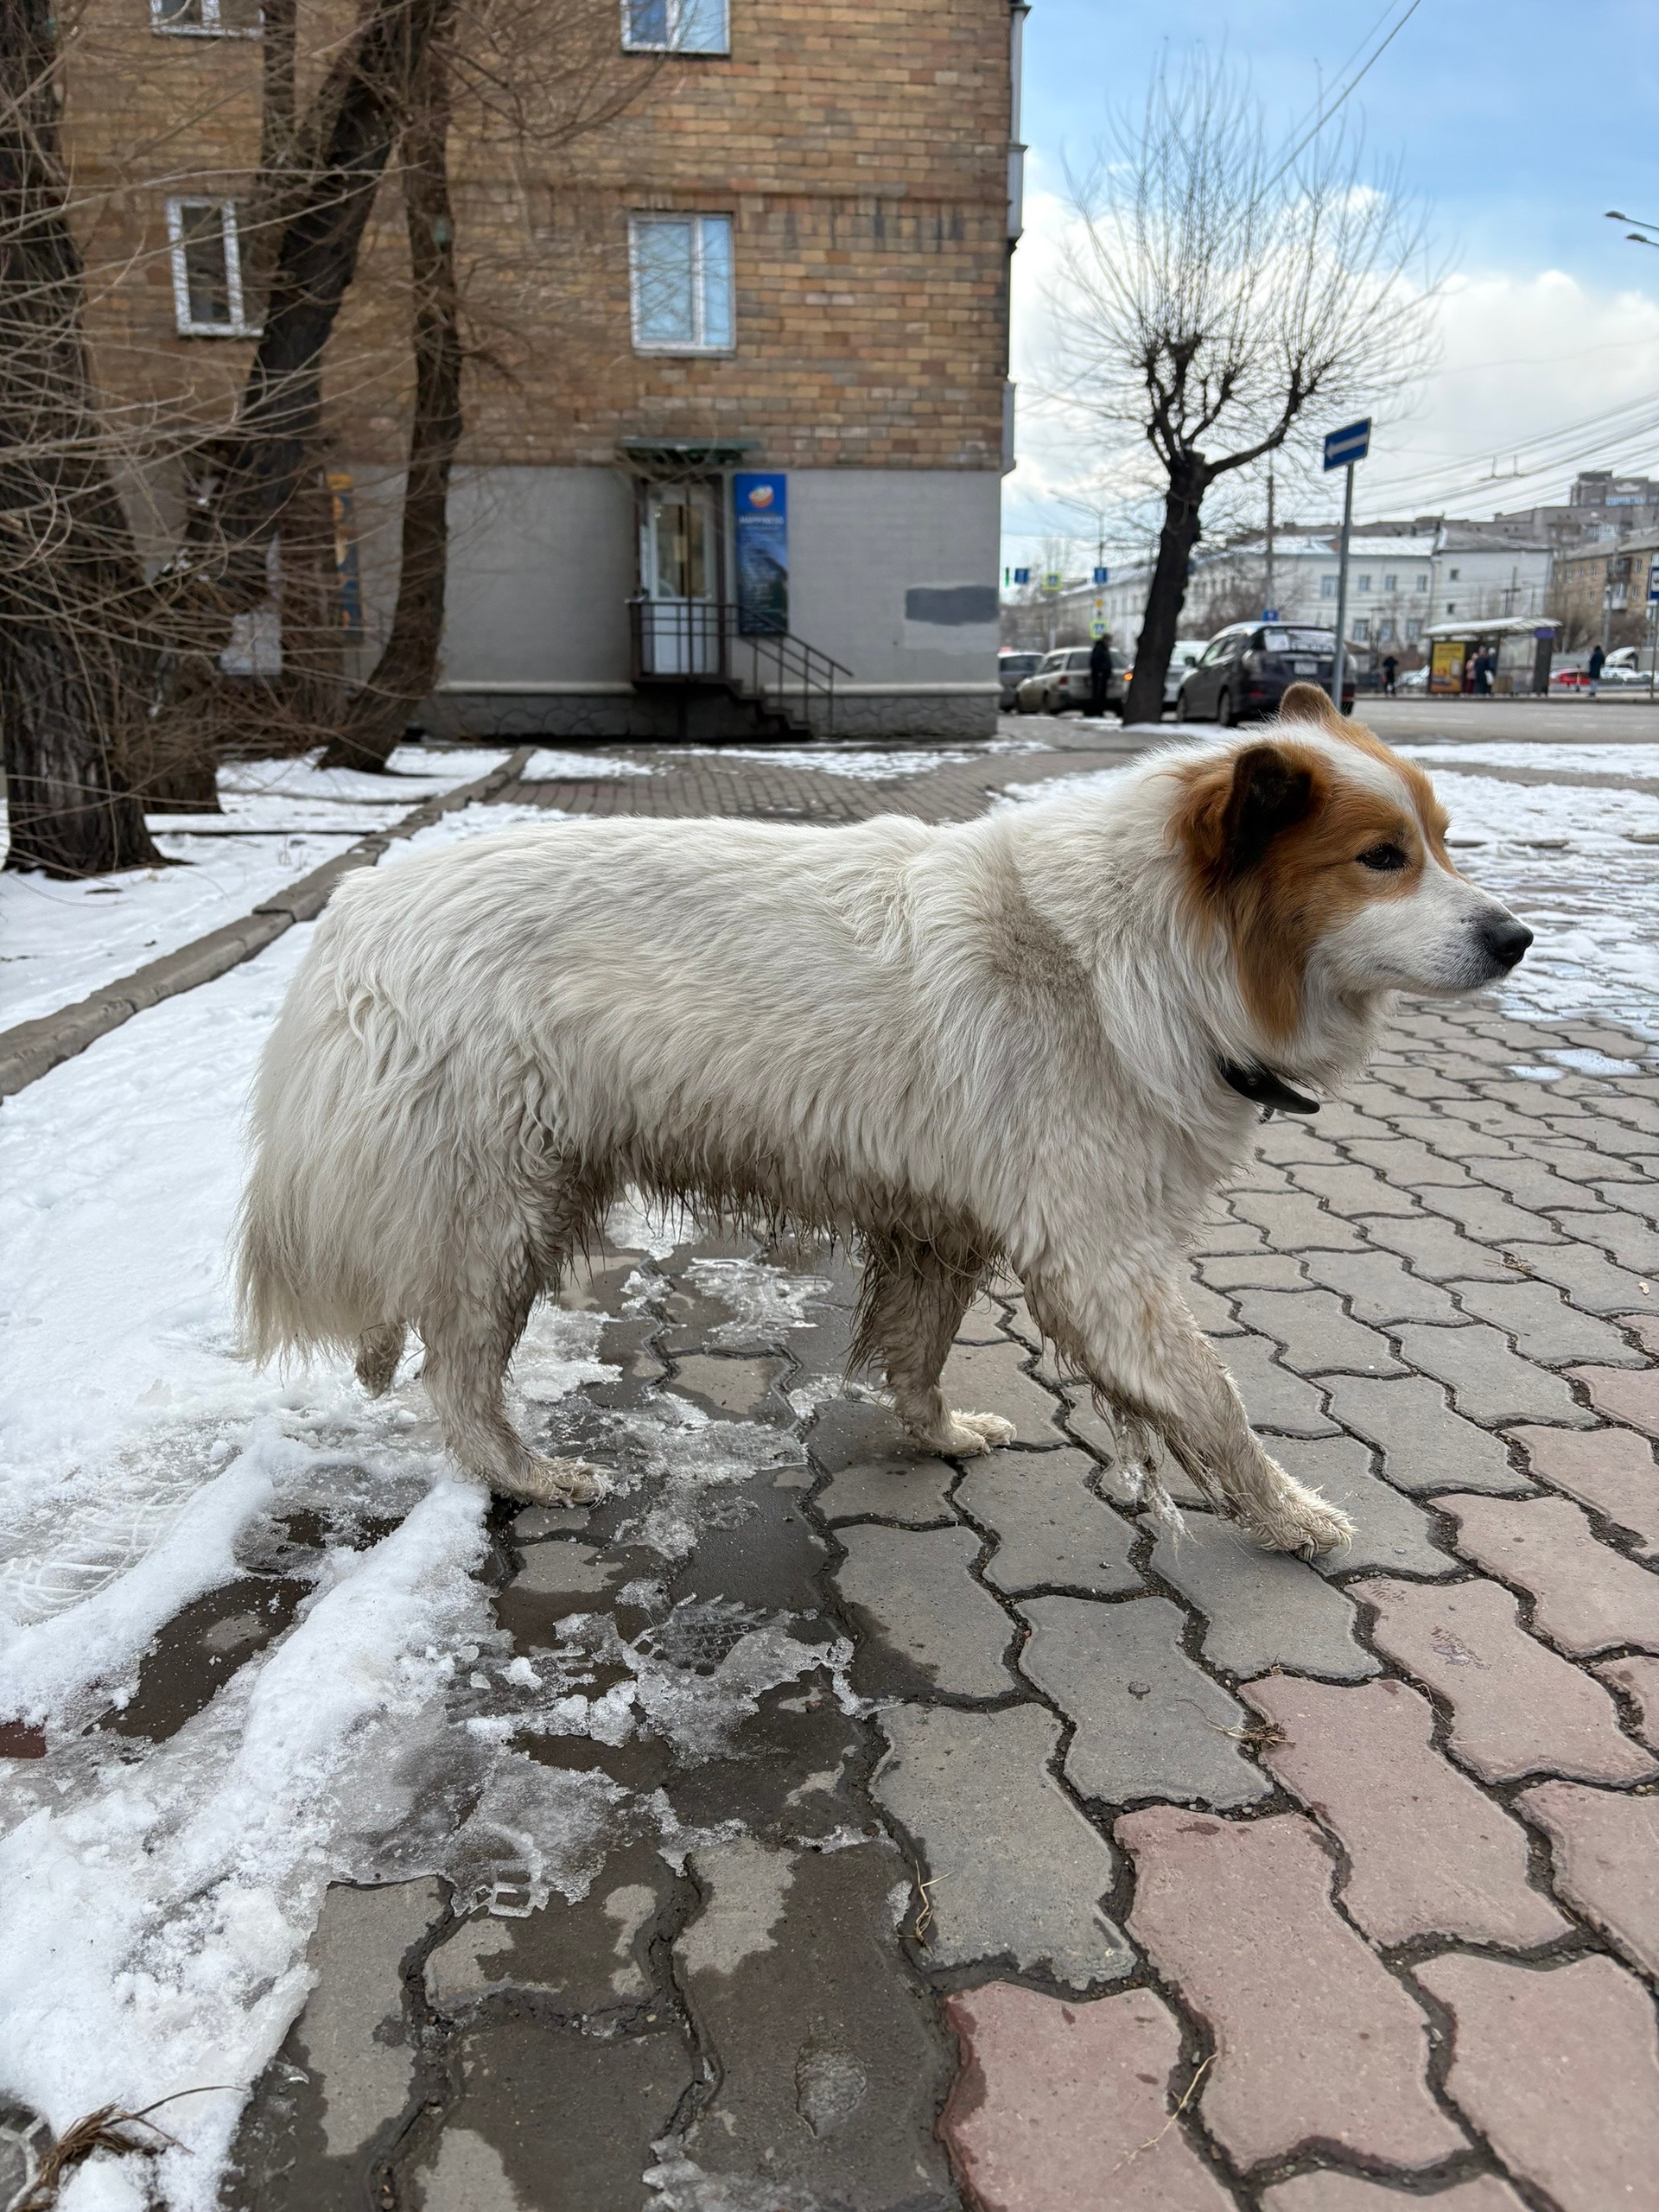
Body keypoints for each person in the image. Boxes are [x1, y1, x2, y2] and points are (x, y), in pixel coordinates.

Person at [1088, 631, 1113, 718]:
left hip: (1103, 675)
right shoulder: (1099, 649)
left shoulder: (1104, 649)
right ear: (1105, 640)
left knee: (1102, 694)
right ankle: (1097, 712)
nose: (1110, 643)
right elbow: (1095, 662)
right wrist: (1100, 671)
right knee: (1098, 694)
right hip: (1100, 675)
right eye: (1109, 641)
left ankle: (1099, 711)